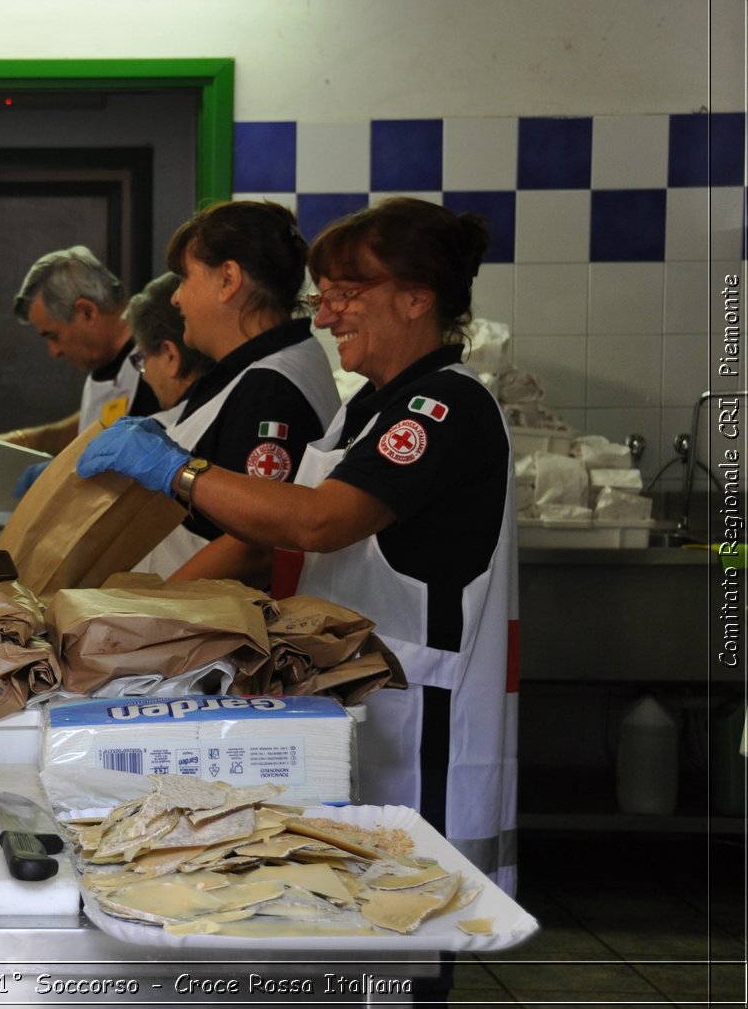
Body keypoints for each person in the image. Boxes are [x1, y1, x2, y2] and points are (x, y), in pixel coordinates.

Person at [79, 197, 517, 900]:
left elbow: (318, 521)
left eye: (346, 294)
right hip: (363, 708)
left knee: (419, 929)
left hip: (424, 731)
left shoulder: (443, 407)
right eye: (325, 294)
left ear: (416, 298)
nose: (324, 314)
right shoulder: (369, 406)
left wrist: (179, 472)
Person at [136, 202, 340, 586]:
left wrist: (144, 609)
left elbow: (255, 547)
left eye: (184, 278)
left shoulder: (272, 386)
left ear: (228, 280)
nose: (176, 298)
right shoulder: (248, 371)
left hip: (211, 631)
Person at [0, 244, 160, 456]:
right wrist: (20, 441)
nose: (54, 352)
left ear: (86, 312)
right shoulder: (106, 365)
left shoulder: (159, 362)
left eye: (54, 336)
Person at [124, 271, 212, 422]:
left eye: (141, 359)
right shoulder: (240, 402)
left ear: (170, 355)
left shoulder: (155, 438)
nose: (143, 376)